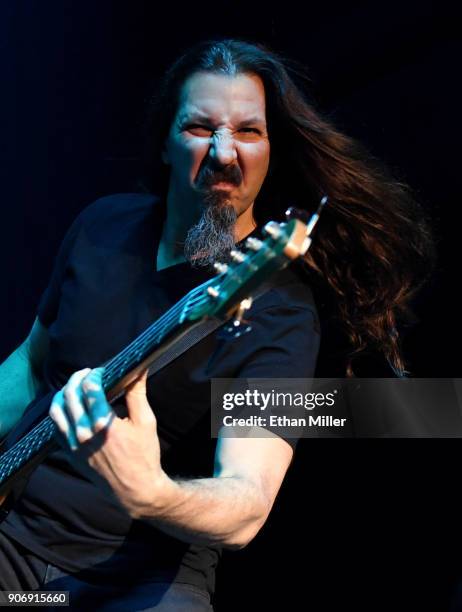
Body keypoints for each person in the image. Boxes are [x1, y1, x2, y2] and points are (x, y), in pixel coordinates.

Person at [0, 39, 435, 610]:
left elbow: (246, 501)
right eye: (202, 128)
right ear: (165, 142)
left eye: (249, 132)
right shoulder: (103, 224)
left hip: (136, 580)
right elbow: (31, 367)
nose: (226, 153)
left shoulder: (282, 312)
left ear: (271, 151)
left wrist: (153, 494)